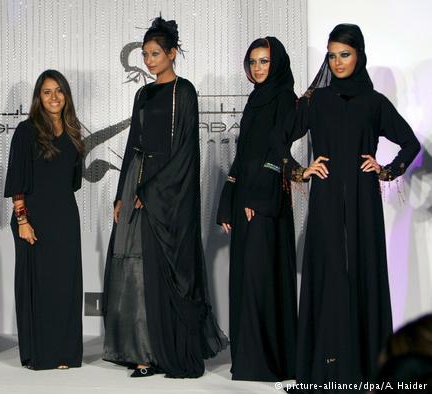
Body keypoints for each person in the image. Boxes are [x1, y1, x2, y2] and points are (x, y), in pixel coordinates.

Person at [282, 24, 421, 391]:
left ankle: (365, 366)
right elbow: (277, 140)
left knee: (362, 271)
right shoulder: (317, 101)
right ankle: (326, 366)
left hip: (363, 199)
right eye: (332, 55)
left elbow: (410, 143)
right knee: (329, 274)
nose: (338, 62)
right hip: (326, 199)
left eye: (345, 54)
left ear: (358, 55)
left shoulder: (373, 102)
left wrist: (386, 169)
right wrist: (300, 170)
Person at [102, 16, 228, 379]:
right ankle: (142, 351)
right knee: (137, 269)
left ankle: (166, 349)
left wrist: (152, 191)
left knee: (164, 268)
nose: (149, 60)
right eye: (145, 54)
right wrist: (124, 191)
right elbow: (133, 144)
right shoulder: (143, 94)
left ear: (172, 53)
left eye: (155, 53)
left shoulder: (184, 92)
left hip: (169, 193)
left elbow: (186, 151)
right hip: (138, 183)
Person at [216, 36, 298, 382]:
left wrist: (258, 201)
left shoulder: (284, 99)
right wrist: (227, 203)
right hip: (246, 202)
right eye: (252, 62)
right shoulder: (254, 99)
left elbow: (276, 154)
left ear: (276, 62)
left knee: (262, 281)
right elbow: (244, 155)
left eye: (264, 61)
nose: (258, 68)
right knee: (246, 281)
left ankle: (268, 363)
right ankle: (249, 360)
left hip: (265, 205)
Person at [3, 69, 84, 370]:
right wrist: (22, 220)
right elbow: (17, 182)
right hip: (33, 218)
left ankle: (64, 353)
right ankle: (42, 353)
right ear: (38, 97)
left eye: (59, 91)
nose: (54, 97)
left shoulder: (74, 132)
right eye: (47, 92)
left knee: (66, 285)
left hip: (64, 216)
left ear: (67, 96)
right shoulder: (27, 131)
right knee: (40, 286)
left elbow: (73, 181)